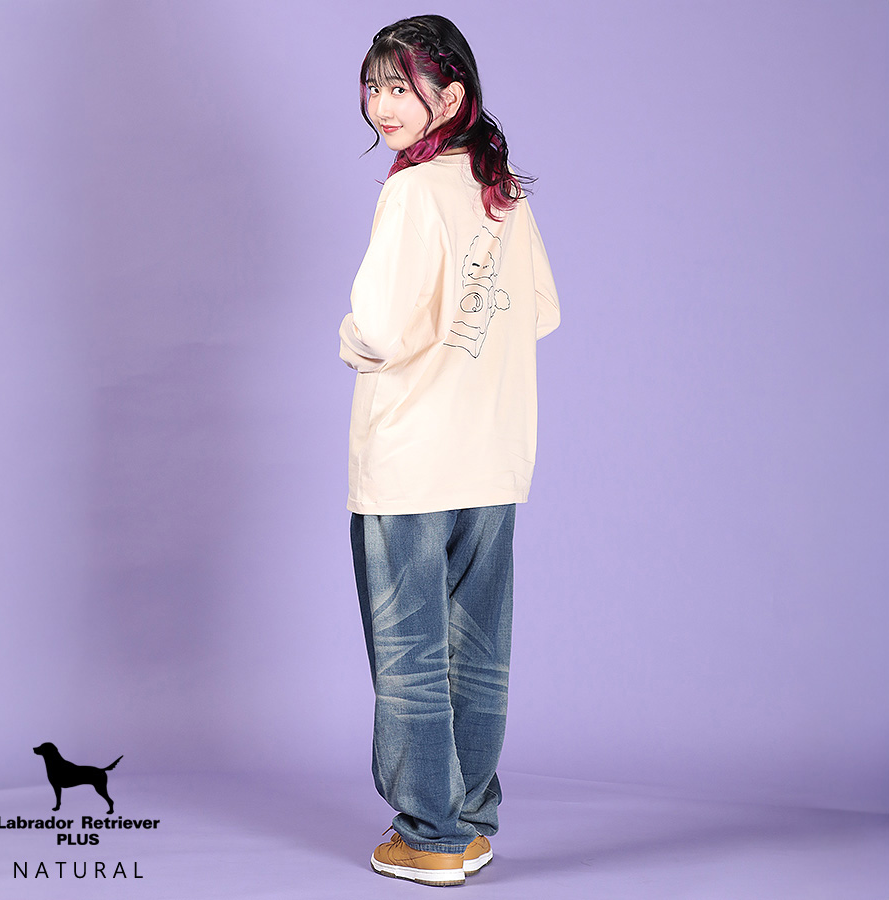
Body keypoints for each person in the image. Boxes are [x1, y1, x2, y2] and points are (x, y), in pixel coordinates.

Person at [339, 14, 560, 887]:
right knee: (478, 651)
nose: (382, 104)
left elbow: (380, 329)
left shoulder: (412, 193)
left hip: (410, 460)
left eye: (402, 86)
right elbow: (540, 313)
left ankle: (428, 835)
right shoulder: (500, 191)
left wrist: (349, 339)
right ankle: (468, 825)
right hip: (493, 452)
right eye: (374, 86)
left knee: (412, 654)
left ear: (452, 94)